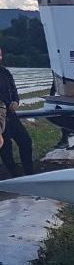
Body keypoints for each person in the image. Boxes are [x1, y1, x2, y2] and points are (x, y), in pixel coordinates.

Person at [0, 47, 32, 176]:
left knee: (25, 141)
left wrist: (16, 102)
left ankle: (29, 172)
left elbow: (14, 90)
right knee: (5, 148)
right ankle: (14, 174)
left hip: (11, 115)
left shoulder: (5, 72)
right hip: (0, 116)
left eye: (0, 55)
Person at [50, 81, 74, 150]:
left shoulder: (65, 72)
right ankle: (72, 141)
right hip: (71, 95)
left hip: (72, 95)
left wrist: (51, 97)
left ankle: (70, 142)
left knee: (69, 119)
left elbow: (54, 85)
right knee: (70, 118)